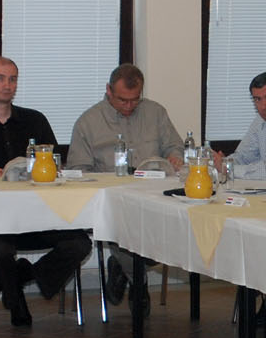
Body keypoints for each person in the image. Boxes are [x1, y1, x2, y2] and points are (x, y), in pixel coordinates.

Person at [0, 57, 92, 326]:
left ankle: (22, 275)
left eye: (13, 79)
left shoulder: (35, 121)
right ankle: (17, 302)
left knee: (80, 244)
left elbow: (56, 166)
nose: (7, 85)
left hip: (41, 215)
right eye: (0, 78)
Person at [68, 64, 182, 305]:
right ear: (108, 90)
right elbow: (78, 171)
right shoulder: (88, 122)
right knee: (125, 230)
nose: (129, 106)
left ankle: (122, 266)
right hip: (112, 203)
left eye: (135, 100)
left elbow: (175, 146)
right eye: (122, 100)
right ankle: (138, 282)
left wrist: (175, 157)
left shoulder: (155, 113)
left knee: (177, 231)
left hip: (154, 197)